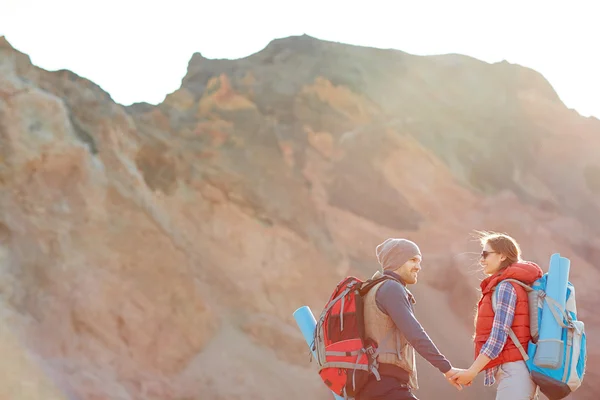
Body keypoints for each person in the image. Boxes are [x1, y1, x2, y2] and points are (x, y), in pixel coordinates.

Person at [355, 238, 462, 400]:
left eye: (419, 261)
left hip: (374, 385)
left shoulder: (373, 289)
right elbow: (415, 334)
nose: (418, 266)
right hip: (385, 386)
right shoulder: (391, 289)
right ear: (396, 261)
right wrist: (447, 368)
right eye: (413, 260)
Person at [451, 231, 542, 399]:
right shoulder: (512, 285)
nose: (481, 259)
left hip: (514, 373)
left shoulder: (506, 287)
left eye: (486, 254)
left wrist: (472, 371)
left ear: (502, 256)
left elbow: (498, 337)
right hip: (517, 373)